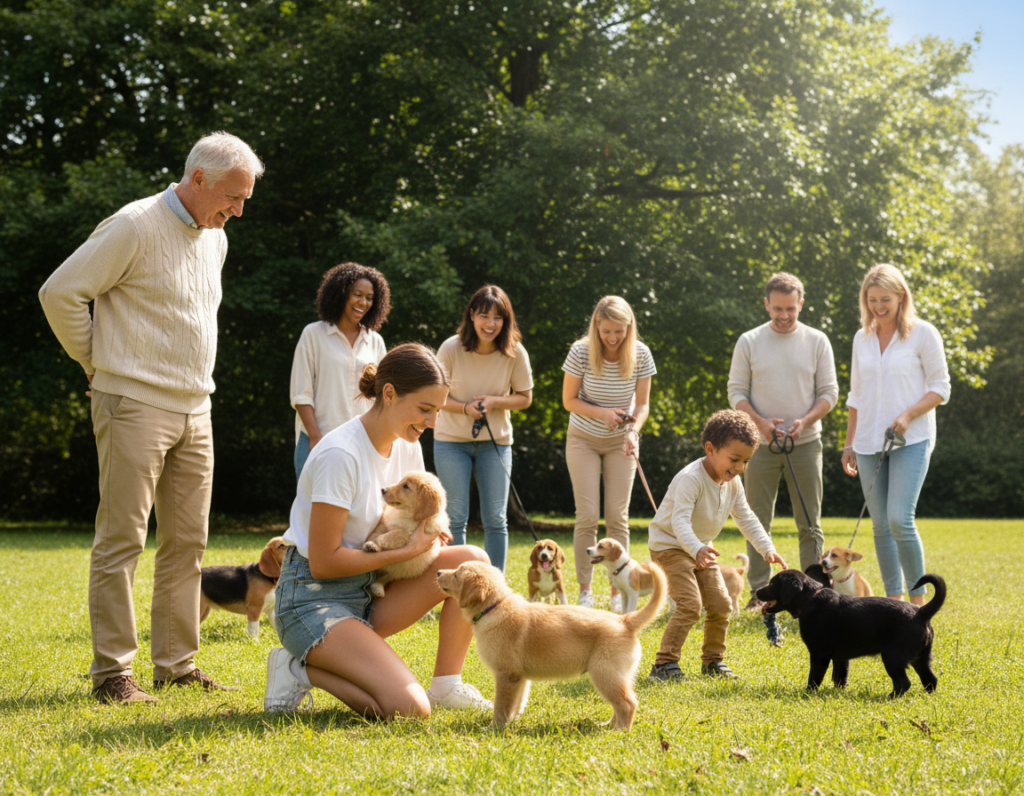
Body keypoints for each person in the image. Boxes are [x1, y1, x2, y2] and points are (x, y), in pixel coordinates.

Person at [38, 131, 264, 703]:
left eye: (244, 201)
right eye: (233, 197)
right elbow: (60, 292)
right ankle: (113, 673)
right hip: (132, 402)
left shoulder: (215, 238)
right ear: (198, 180)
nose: (238, 210)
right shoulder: (134, 225)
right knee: (122, 541)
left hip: (197, 406)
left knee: (188, 543)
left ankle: (176, 665)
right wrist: (96, 360)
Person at [264, 343, 494, 717]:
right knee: (407, 709)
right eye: (424, 409)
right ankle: (297, 669)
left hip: (370, 586)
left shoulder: (407, 445)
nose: (432, 421)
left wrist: (428, 532)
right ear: (389, 394)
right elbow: (323, 563)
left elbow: (409, 516)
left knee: (473, 560)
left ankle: (447, 685)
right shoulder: (341, 454)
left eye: (436, 410)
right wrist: (405, 552)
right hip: (312, 598)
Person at [727, 272, 838, 643]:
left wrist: (805, 422)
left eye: (791, 309)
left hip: (806, 443)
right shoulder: (750, 341)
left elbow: (830, 393)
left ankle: (815, 592)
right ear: (766, 304)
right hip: (758, 444)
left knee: (810, 522)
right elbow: (736, 392)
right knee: (756, 518)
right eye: (778, 309)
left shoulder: (817, 340)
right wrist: (760, 423)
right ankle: (760, 592)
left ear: (801, 304)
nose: (784, 315)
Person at [647, 410, 788, 681]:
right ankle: (664, 664)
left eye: (746, 461)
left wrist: (766, 548)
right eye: (735, 459)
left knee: (722, 604)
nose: (740, 468)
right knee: (689, 604)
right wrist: (696, 548)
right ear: (710, 449)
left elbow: (746, 517)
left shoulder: (733, 483)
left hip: (701, 548)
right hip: (670, 547)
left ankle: (713, 662)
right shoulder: (691, 478)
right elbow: (680, 522)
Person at [841, 264, 950, 605]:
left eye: (885, 299)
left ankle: (917, 604)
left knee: (899, 518)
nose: (878, 307)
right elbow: (855, 395)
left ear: (901, 296)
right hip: (868, 440)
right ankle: (893, 603)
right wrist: (848, 443)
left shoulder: (923, 333)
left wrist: (907, 415)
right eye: (871, 300)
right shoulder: (863, 338)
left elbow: (940, 388)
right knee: (880, 526)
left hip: (912, 438)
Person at [562, 296, 656, 610]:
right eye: (606, 332)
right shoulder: (581, 352)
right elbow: (569, 400)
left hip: (621, 442)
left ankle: (619, 590)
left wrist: (632, 431)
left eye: (619, 331)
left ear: (629, 328)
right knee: (587, 516)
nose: (613, 338)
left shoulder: (641, 354)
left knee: (618, 517)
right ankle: (585, 590)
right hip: (583, 439)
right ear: (596, 327)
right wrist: (602, 413)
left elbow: (642, 405)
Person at [433, 286, 533, 572]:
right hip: (451, 442)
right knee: (456, 516)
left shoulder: (515, 352)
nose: (490, 324)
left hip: (496, 443)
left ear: (506, 321)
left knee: (495, 519)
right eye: (484, 316)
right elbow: (436, 396)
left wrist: (496, 401)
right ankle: (458, 586)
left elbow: (525, 397)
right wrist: (465, 408)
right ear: (472, 315)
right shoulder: (451, 348)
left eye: (498, 318)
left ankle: (494, 587)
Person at [290, 263, 390, 481]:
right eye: (357, 294)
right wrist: (317, 438)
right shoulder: (313, 334)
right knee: (313, 513)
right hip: (318, 439)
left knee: (362, 514)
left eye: (369, 297)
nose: (363, 302)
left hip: (364, 441)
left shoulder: (375, 341)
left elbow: (382, 397)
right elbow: (301, 394)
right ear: (341, 293)